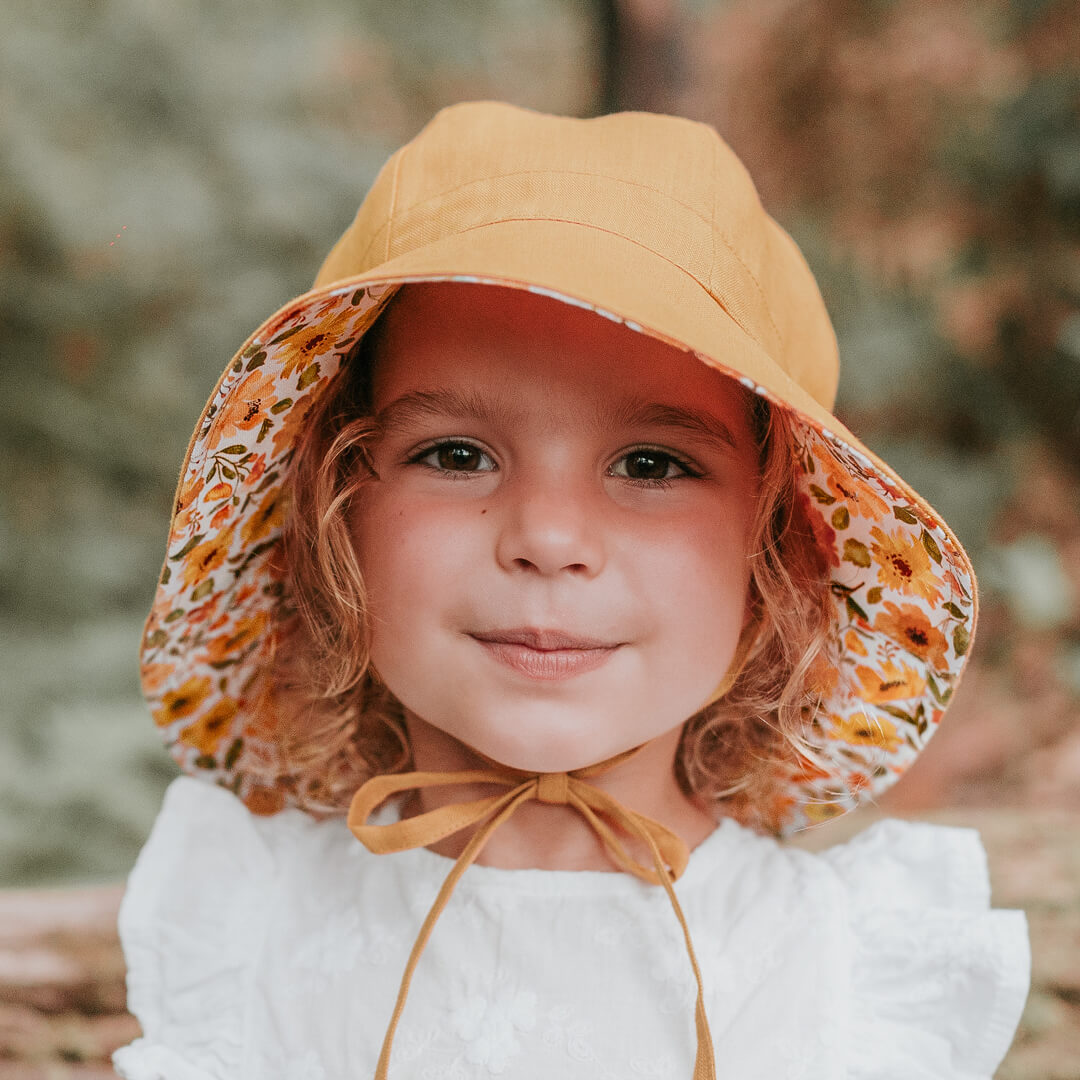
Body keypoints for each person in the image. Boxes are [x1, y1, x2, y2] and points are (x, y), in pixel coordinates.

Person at [112, 101, 1030, 1080]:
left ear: (775, 556)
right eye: (456, 453)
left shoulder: (839, 975)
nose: (548, 538)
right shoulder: (251, 937)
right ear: (339, 511)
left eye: (651, 464)